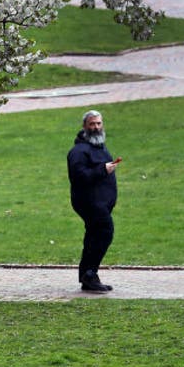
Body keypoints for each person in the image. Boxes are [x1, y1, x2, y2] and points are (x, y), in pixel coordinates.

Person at [67, 110, 120, 292]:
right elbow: (79, 176)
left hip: (101, 203)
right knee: (104, 233)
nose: (96, 127)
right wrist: (103, 170)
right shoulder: (79, 151)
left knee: (94, 236)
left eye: (98, 124)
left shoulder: (100, 146)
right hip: (89, 202)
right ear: (84, 126)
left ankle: (88, 275)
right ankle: (90, 274)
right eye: (92, 124)